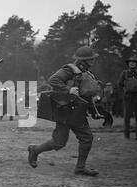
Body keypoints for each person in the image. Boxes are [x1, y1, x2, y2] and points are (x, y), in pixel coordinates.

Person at [28, 45, 101, 176]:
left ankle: (80, 168)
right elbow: (53, 80)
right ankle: (35, 150)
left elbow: (86, 95)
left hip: (78, 112)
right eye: (90, 59)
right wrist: (68, 90)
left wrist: (95, 112)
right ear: (83, 60)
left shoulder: (87, 74)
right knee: (58, 142)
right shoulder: (70, 69)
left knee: (87, 137)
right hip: (65, 111)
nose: (93, 61)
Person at [118, 55, 137, 140]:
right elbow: (119, 85)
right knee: (127, 118)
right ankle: (126, 135)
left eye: (134, 62)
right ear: (128, 64)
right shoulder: (124, 73)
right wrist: (123, 94)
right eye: (130, 62)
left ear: (136, 64)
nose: (132, 64)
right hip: (128, 97)